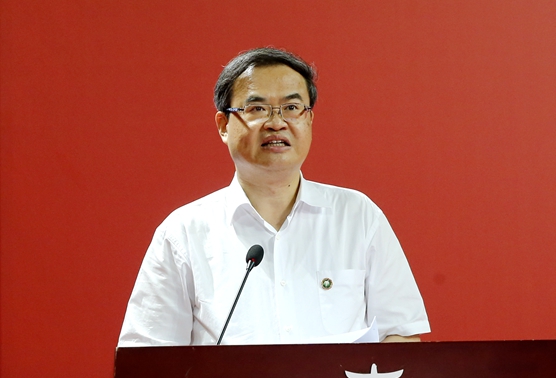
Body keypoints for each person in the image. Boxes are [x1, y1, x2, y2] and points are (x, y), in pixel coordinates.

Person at [118, 47, 430, 346]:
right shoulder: (184, 233)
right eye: (257, 109)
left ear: (309, 120)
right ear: (224, 125)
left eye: (292, 108)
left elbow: (400, 335)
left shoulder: (357, 217)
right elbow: (147, 356)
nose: (277, 123)